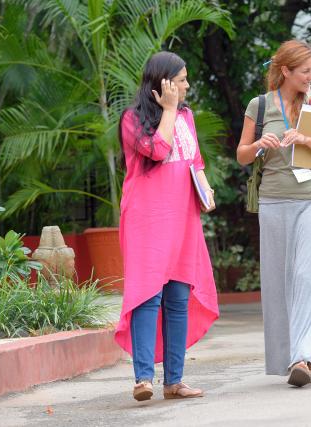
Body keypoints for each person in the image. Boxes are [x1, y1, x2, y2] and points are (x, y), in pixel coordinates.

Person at [236, 40, 311, 387]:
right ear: (284, 71)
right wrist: (257, 146)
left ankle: (304, 353)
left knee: (307, 275)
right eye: (305, 71)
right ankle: (303, 358)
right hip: (273, 201)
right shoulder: (260, 105)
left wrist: (306, 140)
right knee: (280, 280)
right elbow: (240, 155)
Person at [114, 51, 219, 401]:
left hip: (183, 218)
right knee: (148, 295)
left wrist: (205, 190)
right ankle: (143, 378)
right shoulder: (133, 119)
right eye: (182, 79)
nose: (188, 85)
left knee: (177, 297)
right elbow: (157, 151)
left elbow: (196, 162)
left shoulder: (187, 117)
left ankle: (174, 381)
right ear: (164, 83)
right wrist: (170, 111)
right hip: (147, 219)